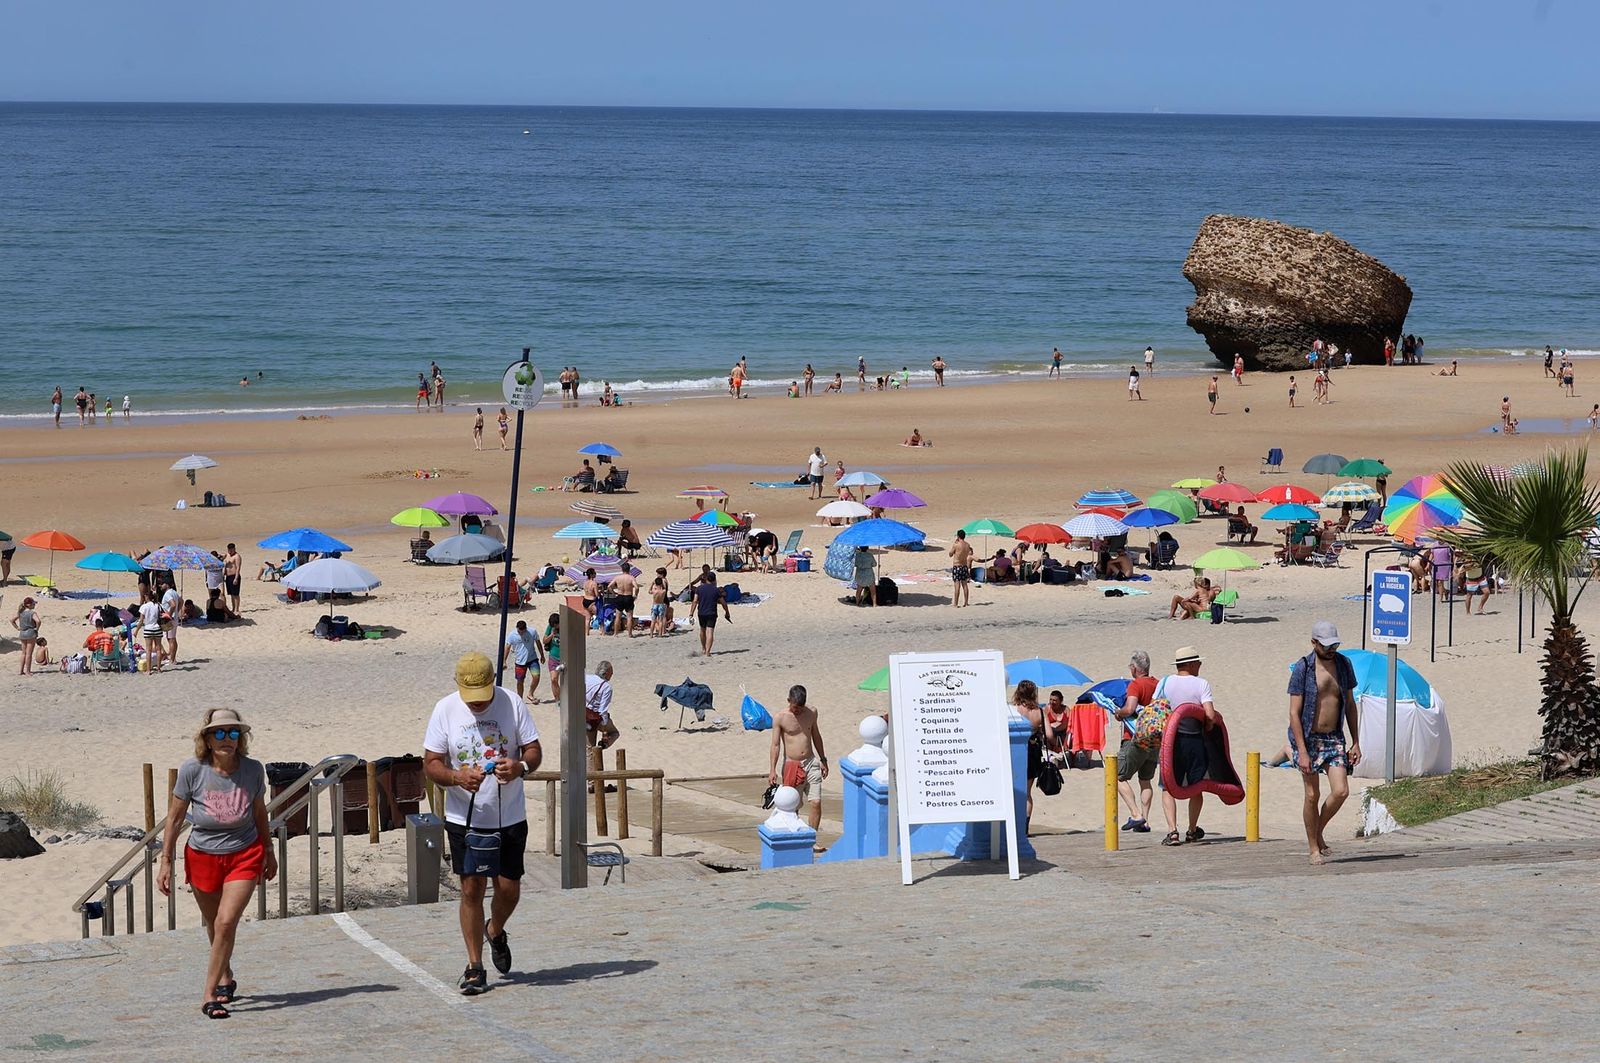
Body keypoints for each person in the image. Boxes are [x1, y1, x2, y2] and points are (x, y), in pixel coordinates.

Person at [423, 652, 542, 995]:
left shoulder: (513, 703)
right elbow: (431, 763)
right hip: (465, 818)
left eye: (483, 697)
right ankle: (475, 966)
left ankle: (495, 930)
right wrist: (456, 777)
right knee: (471, 888)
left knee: (508, 889)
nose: (477, 705)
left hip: (510, 816)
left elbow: (534, 750)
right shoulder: (445, 709)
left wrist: (519, 767)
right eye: (471, 699)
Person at [157, 708, 276, 1019]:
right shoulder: (192, 770)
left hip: (244, 852)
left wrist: (269, 851)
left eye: (234, 733)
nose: (227, 739)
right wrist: (166, 860)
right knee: (213, 924)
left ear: (241, 739)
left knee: (226, 922)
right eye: (220, 733)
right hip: (202, 855)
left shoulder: (252, 770)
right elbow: (175, 818)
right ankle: (225, 975)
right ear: (208, 740)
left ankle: (208, 995)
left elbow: (260, 813)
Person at [1287, 622, 1361, 865]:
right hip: (1308, 738)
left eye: (1335, 645)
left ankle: (1317, 832)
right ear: (1314, 643)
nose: (1332, 650)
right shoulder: (1304, 667)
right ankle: (1313, 848)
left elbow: (1349, 704)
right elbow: (1294, 713)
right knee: (1311, 795)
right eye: (1327, 646)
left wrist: (1356, 742)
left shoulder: (1343, 664)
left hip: (1334, 738)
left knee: (1341, 791)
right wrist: (1302, 750)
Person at [1159, 647, 1218, 847]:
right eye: (1199, 662)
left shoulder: (1165, 682)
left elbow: (1155, 710)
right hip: (1194, 740)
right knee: (1196, 786)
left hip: (1170, 741)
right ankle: (1192, 830)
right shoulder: (1201, 684)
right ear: (1192, 664)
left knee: (1167, 785)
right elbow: (1209, 715)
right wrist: (1208, 725)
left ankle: (1172, 831)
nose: (1200, 665)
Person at [769, 685, 830, 851]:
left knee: (816, 802)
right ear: (789, 701)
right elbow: (775, 745)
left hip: (811, 762)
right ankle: (795, 839)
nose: (797, 711)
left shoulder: (812, 713)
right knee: (792, 806)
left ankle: (812, 839)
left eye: (800, 708)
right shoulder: (780, 718)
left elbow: (816, 735)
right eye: (794, 707)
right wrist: (773, 769)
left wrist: (823, 758)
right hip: (791, 764)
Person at [1113, 650, 1159, 831]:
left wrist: (1119, 712)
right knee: (1145, 780)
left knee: (1116, 776)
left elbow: (1130, 708)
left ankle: (1135, 814)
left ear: (1134, 668)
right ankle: (1145, 821)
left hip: (1135, 736)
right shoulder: (1157, 683)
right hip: (1154, 737)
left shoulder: (1135, 685)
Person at [1014, 680, 1045, 823]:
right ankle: (1025, 827)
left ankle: (1016, 825)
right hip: (1033, 751)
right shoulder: (1039, 711)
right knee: (1027, 792)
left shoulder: (1014, 710)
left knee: (1015, 791)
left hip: (1016, 750)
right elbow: (1050, 735)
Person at [502, 619, 544, 701]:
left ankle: (530, 693)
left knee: (536, 677)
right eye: (519, 631)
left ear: (526, 628)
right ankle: (520, 698)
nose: (521, 633)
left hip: (532, 659)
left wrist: (542, 655)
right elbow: (507, 648)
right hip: (520, 662)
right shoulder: (512, 635)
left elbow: (538, 643)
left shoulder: (532, 632)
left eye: (523, 631)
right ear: (516, 628)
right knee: (520, 681)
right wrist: (504, 661)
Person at [585, 661, 621, 750]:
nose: (612, 674)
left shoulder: (586, 678)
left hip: (581, 714)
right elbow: (602, 711)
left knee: (589, 748)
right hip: (594, 719)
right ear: (606, 673)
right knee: (614, 733)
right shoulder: (606, 687)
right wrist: (604, 732)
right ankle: (604, 745)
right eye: (611, 672)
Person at [693, 571, 731, 655]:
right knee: (710, 631)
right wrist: (727, 612)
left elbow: (695, 601)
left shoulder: (699, 588)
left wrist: (691, 613)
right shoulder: (716, 590)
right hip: (712, 612)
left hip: (701, 612)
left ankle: (703, 648)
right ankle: (708, 652)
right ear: (714, 580)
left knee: (702, 630)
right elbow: (723, 603)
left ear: (706, 579)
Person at [138, 588, 164, 674]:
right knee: (158, 649)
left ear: (146, 596)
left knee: (148, 650)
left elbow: (141, 621)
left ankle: (149, 670)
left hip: (148, 629)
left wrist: (136, 630)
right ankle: (159, 669)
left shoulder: (144, 607)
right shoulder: (158, 605)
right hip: (157, 628)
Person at [12, 597, 39, 676]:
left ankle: (20, 671)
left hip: (22, 633)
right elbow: (38, 621)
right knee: (29, 654)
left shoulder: (21, 612)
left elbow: (12, 620)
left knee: (23, 653)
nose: (34, 605)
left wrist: (17, 628)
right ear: (29, 605)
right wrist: (36, 629)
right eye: (33, 604)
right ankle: (27, 671)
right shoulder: (32, 613)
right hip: (30, 633)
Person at [541, 612, 563, 703]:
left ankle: (565, 697)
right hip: (554, 657)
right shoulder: (551, 628)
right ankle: (558, 699)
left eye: (556, 625)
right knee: (554, 679)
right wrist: (551, 635)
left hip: (565, 658)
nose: (555, 627)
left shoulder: (566, 627)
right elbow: (544, 640)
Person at [949, 529, 973, 608]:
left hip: (957, 565)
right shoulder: (967, 545)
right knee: (965, 585)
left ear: (958, 536)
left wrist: (954, 544)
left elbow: (950, 554)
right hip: (964, 566)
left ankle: (955, 604)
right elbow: (969, 553)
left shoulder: (956, 545)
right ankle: (966, 602)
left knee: (957, 585)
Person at [610, 566, 637, 636]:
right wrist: (635, 595)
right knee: (629, 617)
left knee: (618, 616)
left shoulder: (618, 577)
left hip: (620, 596)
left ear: (622, 569)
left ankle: (615, 633)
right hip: (628, 597)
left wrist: (614, 594)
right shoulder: (631, 578)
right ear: (629, 569)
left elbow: (609, 586)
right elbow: (636, 587)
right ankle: (629, 634)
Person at [224, 543, 242, 616]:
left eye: (231, 550)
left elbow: (238, 568)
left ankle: (237, 609)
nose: (230, 551)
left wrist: (236, 578)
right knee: (231, 594)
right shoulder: (227, 555)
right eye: (229, 550)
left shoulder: (237, 556)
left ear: (234, 549)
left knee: (236, 594)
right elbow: (221, 556)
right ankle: (233, 608)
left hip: (234, 576)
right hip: (228, 577)